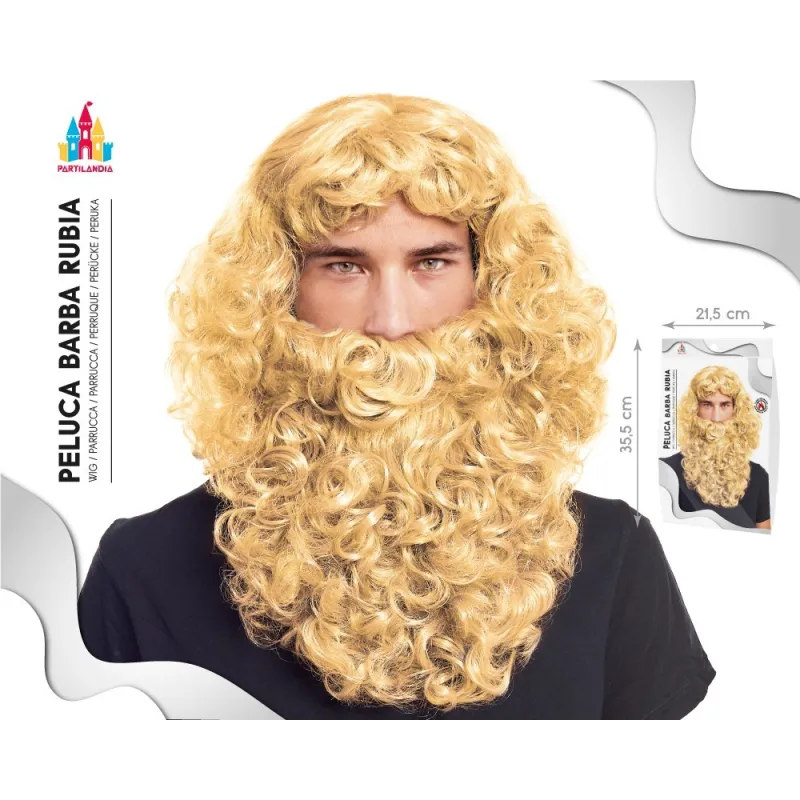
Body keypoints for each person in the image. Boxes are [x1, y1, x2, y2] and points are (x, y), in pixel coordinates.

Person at [78, 93, 716, 719]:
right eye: (344, 266)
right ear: (278, 291)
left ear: (492, 284)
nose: (391, 322)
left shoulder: (613, 555)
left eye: (431, 262)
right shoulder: (144, 570)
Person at [661, 365, 770, 530]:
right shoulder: (667, 471)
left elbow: (765, 540)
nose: (716, 418)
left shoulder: (759, 477)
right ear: (694, 410)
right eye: (707, 405)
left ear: (736, 411)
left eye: (725, 405)